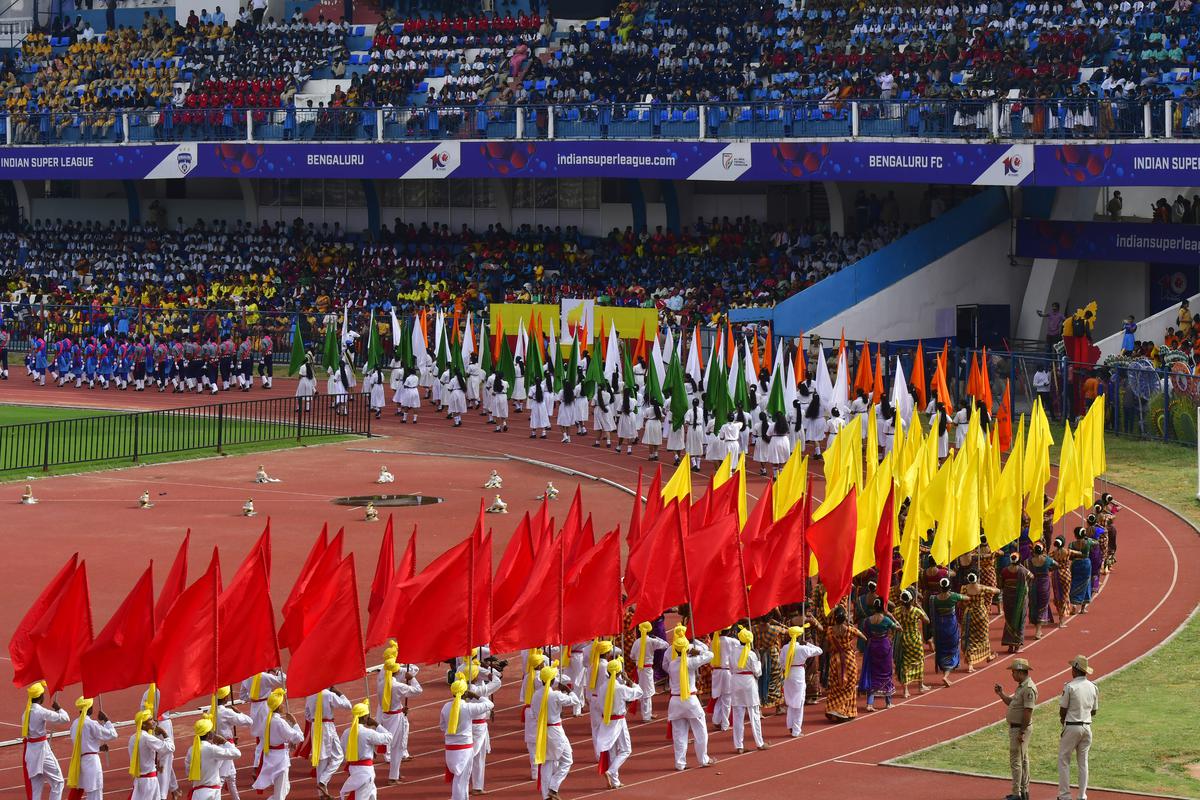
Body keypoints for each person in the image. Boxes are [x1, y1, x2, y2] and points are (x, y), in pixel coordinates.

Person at [530, 664, 581, 799]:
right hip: (555, 730)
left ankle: (546, 795)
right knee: (568, 759)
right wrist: (568, 689)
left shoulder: (535, 695)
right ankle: (553, 787)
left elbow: (534, 714)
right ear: (552, 681)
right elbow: (575, 701)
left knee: (547, 762)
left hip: (541, 730)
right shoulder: (556, 695)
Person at [666, 635, 716, 770]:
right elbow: (710, 655)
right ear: (686, 650)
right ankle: (703, 759)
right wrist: (697, 652)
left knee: (679, 735)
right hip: (690, 700)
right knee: (700, 731)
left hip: (675, 701)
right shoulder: (690, 662)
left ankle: (680, 763)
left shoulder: (672, 664)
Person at [594, 658, 643, 788]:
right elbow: (638, 692)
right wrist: (628, 680)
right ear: (620, 672)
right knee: (626, 749)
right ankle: (611, 771)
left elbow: (599, 705)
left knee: (613, 751)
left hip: (606, 721)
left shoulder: (602, 688)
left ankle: (615, 781)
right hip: (619, 721)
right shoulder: (620, 688)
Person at [994, 658, 1037, 800]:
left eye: (1013, 672)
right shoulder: (1022, 687)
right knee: (1023, 760)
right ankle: (1024, 791)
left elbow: (1028, 711)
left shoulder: (1028, 688)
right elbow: (1013, 703)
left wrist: (1022, 732)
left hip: (1019, 729)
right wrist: (1001, 694)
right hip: (1018, 728)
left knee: (1016, 761)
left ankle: (1017, 793)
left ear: (1020, 671)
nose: (1012, 674)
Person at [1058, 655, 1100, 800]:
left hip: (1072, 726)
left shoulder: (1070, 686)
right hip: (1087, 727)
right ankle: (1082, 795)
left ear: (1075, 669)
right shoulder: (1093, 687)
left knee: (1064, 760)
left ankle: (1064, 795)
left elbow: (1063, 708)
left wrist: (1063, 719)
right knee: (1083, 762)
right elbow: (1094, 711)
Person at [250, 688, 303, 799]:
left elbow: (274, 739)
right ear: (279, 707)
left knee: (285, 788)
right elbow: (299, 737)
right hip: (280, 760)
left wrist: (289, 743)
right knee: (280, 794)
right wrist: (295, 723)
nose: (283, 705)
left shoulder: (266, 720)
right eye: (282, 703)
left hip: (271, 757)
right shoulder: (279, 722)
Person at [377, 658, 422, 784]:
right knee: (396, 746)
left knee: (393, 745)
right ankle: (393, 777)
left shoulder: (381, 683)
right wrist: (412, 678)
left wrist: (401, 708)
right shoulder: (397, 686)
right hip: (395, 718)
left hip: (387, 715)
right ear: (396, 673)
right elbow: (418, 690)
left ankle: (395, 773)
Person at [22, 682, 68, 800]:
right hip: (42, 751)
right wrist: (59, 709)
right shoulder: (40, 711)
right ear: (41, 697)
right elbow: (65, 718)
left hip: (31, 753)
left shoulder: (25, 714)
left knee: (36, 789)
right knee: (58, 782)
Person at [66, 697, 117, 800]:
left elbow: (82, 743)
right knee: (95, 793)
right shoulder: (91, 723)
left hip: (80, 761)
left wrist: (98, 747)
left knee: (81, 790)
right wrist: (106, 720)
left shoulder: (74, 724)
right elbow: (113, 734)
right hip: (92, 762)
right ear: (89, 708)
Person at [339, 703, 392, 800]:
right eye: (368, 716)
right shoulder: (368, 733)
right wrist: (376, 724)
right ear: (364, 718)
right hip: (365, 772)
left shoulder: (346, 732)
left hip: (354, 769)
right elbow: (388, 737)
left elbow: (342, 752)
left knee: (372, 795)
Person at [306, 686, 351, 795]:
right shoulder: (328, 694)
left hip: (315, 725)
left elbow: (307, 716)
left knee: (321, 759)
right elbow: (348, 705)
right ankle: (323, 781)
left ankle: (322, 793)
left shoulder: (310, 695)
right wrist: (337, 691)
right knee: (339, 756)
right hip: (327, 726)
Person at [728, 627, 767, 752]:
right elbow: (758, 672)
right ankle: (759, 742)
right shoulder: (751, 654)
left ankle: (739, 746)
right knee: (754, 714)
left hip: (735, 681)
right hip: (748, 683)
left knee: (738, 715)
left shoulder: (733, 651)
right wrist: (759, 660)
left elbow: (731, 667)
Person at [824, 605, 866, 722]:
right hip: (848, 659)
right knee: (850, 686)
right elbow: (863, 637)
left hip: (835, 660)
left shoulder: (830, 631)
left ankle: (836, 708)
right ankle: (841, 709)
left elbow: (827, 647)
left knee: (835, 686)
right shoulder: (849, 630)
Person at [781, 622, 822, 736]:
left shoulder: (784, 648)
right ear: (799, 636)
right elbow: (819, 650)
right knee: (799, 703)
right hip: (798, 674)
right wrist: (808, 644)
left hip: (788, 674)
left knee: (790, 701)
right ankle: (796, 730)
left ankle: (790, 725)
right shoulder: (803, 648)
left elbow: (781, 663)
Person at [184, 717, 241, 800]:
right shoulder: (212, 749)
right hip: (212, 793)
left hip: (197, 793)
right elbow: (237, 754)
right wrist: (226, 743)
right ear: (209, 734)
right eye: (212, 731)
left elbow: (188, 771)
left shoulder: (191, 750)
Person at [212, 687, 251, 799]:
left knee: (231, 777)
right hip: (226, 746)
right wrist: (238, 711)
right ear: (225, 697)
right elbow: (249, 721)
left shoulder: (212, 710)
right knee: (221, 779)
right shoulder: (225, 712)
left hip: (219, 744)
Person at [861, 598, 899, 710]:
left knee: (873, 673)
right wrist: (893, 618)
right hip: (884, 647)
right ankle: (888, 703)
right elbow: (899, 628)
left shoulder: (868, 620)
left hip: (872, 646)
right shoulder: (886, 620)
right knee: (886, 673)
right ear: (883, 607)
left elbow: (865, 632)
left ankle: (869, 703)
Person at [129, 708, 172, 800]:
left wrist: (154, 766)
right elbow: (170, 748)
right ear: (143, 724)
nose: (153, 722)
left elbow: (141, 757)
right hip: (149, 781)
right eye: (150, 720)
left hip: (139, 780)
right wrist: (164, 734)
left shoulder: (132, 738)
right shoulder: (147, 738)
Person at [931, 577, 968, 686]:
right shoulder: (953, 596)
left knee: (942, 649)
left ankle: (944, 671)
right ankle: (946, 675)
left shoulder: (934, 599)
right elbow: (967, 598)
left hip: (940, 627)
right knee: (952, 649)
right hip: (951, 626)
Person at [893, 590, 929, 697]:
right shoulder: (916, 611)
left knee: (905, 663)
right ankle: (920, 685)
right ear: (912, 600)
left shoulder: (897, 611)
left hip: (903, 639)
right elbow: (927, 620)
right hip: (914, 639)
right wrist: (920, 607)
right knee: (919, 661)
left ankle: (905, 690)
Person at [632, 621, 669, 721]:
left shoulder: (637, 642)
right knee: (647, 692)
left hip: (640, 668)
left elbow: (632, 656)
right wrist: (656, 637)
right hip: (647, 669)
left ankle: (648, 713)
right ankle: (646, 716)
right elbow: (665, 645)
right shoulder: (651, 641)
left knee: (646, 691)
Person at [1027, 543, 1059, 638]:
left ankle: (1038, 629)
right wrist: (1049, 569)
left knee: (1034, 605)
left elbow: (1028, 570)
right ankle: (1038, 631)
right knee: (1043, 605)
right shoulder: (1047, 559)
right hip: (1044, 583)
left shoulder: (1030, 561)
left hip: (1034, 583)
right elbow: (1057, 565)